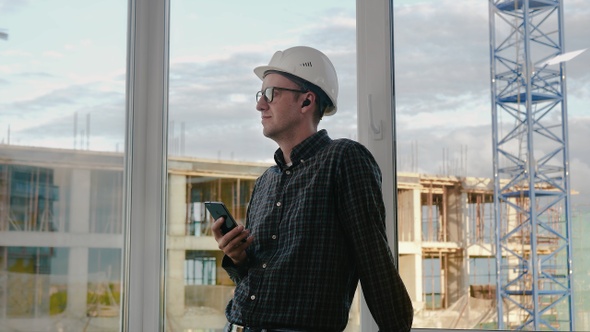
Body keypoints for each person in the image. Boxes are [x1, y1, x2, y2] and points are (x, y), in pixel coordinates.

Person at [212, 46, 413, 332]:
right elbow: (258, 279)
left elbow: (374, 260)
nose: (260, 105)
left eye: (271, 94)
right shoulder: (266, 182)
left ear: (306, 102)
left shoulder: (344, 158)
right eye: (260, 96)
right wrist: (238, 257)